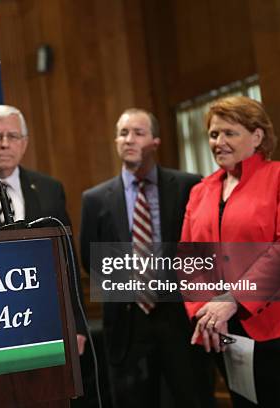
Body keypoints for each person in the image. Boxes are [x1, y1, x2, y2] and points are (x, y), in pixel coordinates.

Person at [182, 96, 280, 407]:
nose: (219, 142)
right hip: (230, 332)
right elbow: (190, 259)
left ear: (257, 137)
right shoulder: (200, 191)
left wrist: (233, 300)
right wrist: (206, 313)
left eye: (230, 133)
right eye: (214, 134)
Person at [80, 108, 214, 407]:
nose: (129, 139)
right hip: (127, 326)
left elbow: (203, 249)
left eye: (138, 133)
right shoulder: (95, 199)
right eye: (123, 133)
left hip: (182, 318)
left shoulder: (189, 186)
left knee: (194, 398)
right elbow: (90, 259)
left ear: (155, 141)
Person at [0, 104, 88, 353]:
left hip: (43, 317)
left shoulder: (49, 189)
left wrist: (77, 323)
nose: (5, 144)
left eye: (13, 136)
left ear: (24, 143)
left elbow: (67, 259)